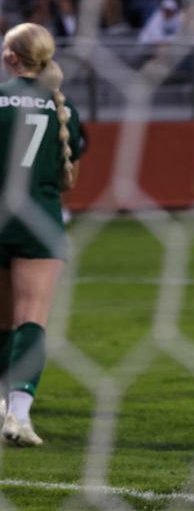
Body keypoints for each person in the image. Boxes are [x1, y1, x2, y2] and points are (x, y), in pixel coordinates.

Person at [0, 23, 83, 445]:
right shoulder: (61, 107)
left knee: (1, 321)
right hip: (39, 221)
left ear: (12, 57)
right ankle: (18, 415)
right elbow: (69, 175)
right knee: (31, 317)